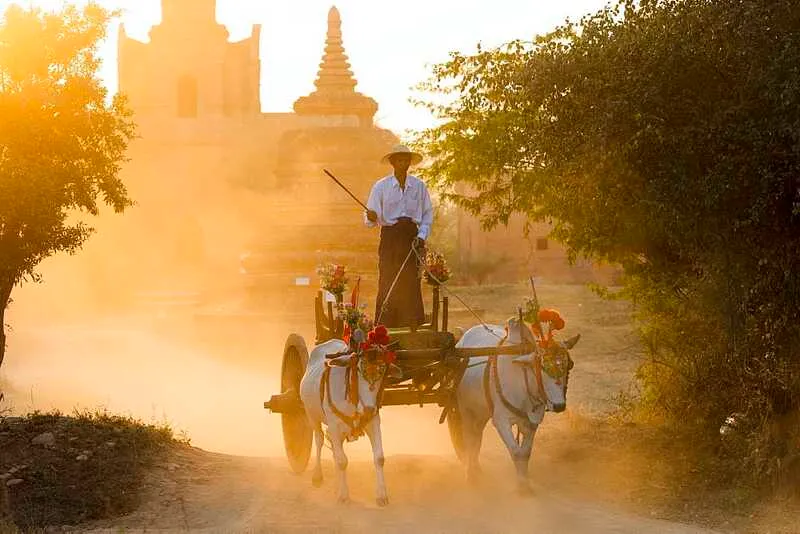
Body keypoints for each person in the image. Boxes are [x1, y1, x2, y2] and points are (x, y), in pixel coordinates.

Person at [365, 144, 433, 329]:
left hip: (411, 237)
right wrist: (371, 216)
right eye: (399, 160)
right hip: (390, 238)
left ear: (410, 163)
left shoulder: (419, 186)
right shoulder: (381, 187)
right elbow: (371, 218)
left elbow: (427, 215)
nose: (403, 163)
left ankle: (412, 323)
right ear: (393, 163)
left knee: (411, 281)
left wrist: (421, 236)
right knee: (388, 278)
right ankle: (384, 325)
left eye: (406, 160)